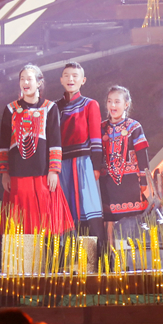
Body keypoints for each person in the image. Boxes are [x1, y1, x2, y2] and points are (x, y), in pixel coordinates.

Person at [0, 64, 72, 234]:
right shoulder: (10, 109)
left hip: (43, 172)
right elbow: (3, 143)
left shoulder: (49, 108)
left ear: (39, 82)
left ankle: (47, 250)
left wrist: (54, 171)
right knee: (20, 219)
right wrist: (4, 173)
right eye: (22, 79)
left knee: (46, 218)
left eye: (29, 79)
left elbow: (55, 141)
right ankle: (24, 250)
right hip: (17, 172)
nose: (25, 82)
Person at [55, 62, 105, 246]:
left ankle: (93, 256)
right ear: (61, 80)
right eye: (67, 75)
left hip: (84, 163)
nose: (71, 79)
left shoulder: (90, 104)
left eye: (75, 76)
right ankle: (67, 256)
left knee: (88, 205)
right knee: (65, 207)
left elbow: (96, 138)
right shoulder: (54, 107)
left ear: (83, 80)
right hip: (60, 164)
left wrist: (96, 166)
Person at [99, 85, 150, 254]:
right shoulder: (101, 127)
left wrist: (144, 180)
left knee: (132, 221)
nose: (112, 105)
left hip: (130, 184)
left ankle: (133, 259)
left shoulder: (134, 127)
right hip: (107, 183)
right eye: (109, 101)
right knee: (109, 220)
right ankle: (111, 259)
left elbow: (142, 156)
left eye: (117, 101)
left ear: (126, 104)